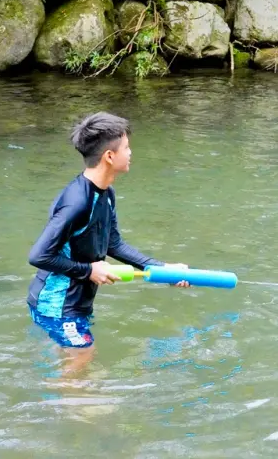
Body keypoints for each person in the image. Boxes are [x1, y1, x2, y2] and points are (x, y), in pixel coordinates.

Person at [26, 111, 188, 376]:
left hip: (74, 303)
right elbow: (39, 255)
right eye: (126, 147)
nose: (130, 152)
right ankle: (73, 411)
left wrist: (165, 270)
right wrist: (89, 270)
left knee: (70, 357)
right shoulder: (76, 202)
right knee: (83, 353)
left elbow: (114, 244)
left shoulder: (106, 193)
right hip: (56, 305)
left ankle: (67, 397)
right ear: (109, 156)